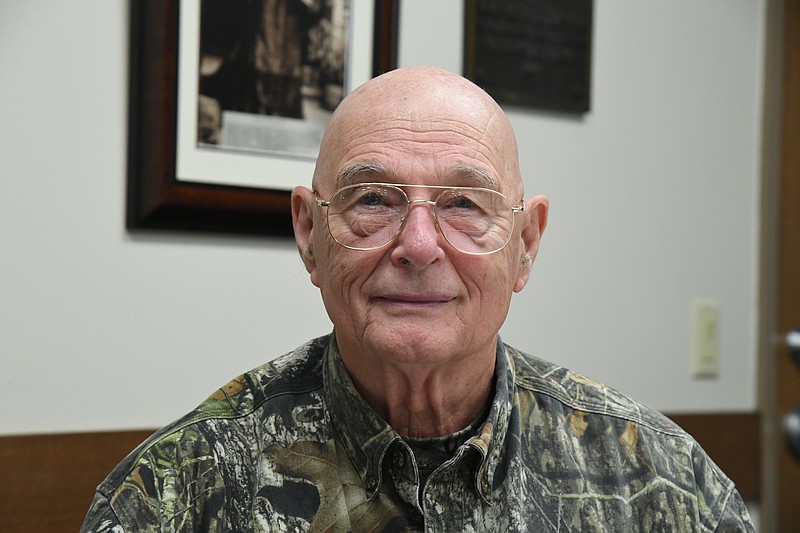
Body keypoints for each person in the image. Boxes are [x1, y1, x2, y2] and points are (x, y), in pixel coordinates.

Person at [81, 66, 754, 532]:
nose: (420, 244)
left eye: (465, 203)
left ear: (526, 243)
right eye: (373, 199)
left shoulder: (659, 480)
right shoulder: (177, 492)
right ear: (310, 234)